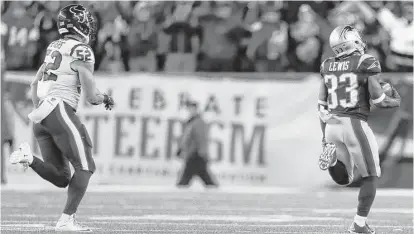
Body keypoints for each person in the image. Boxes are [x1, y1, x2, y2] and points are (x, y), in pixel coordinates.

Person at [9, 4, 114, 232]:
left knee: (61, 177)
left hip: (43, 116)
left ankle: (29, 158)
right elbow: (92, 97)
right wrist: (106, 98)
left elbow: (34, 83)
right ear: (80, 24)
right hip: (59, 111)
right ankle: (66, 220)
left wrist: (42, 111)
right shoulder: (81, 50)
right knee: (85, 167)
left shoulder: (54, 46)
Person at [317, 25, 400, 234]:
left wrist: (323, 138)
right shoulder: (366, 61)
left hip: (332, 124)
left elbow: (321, 106)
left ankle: (333, 159)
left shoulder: (327, 65)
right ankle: (359, 224)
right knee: (371, 176)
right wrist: (394, 99)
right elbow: (379, 99)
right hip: (354, 123)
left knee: (344, 178)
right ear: (352, 41)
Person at [176, 99, 218, 188]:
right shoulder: (192, 122)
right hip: (194, 155)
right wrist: (181, 149)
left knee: (184, 182)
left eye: (192, 108)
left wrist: (201, 153)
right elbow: (187, 138)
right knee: (206, 179)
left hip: (195, 155)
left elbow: (201, 139)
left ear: (196, 109)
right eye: (189, 108)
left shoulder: (198, 122)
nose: (190, 111)